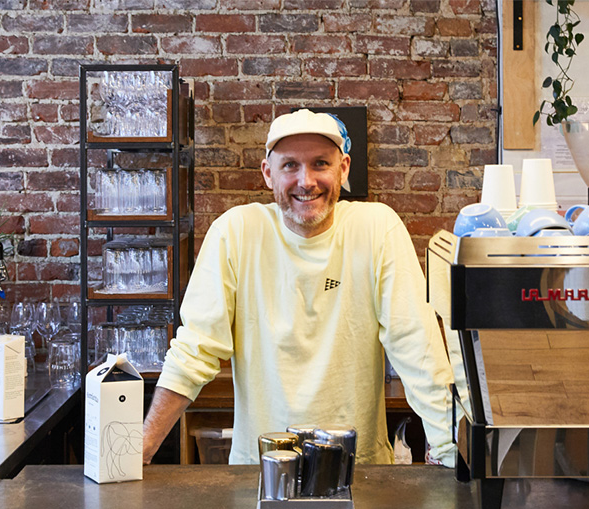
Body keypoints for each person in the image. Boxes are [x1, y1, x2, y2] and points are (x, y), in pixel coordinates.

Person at [143, 108, 457, 466]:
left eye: (320, 163)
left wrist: (450, 448)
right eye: (290, 165)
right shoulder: (236, 232)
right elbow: (195, 350)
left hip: (359, 472)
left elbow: (416, 346)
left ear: (344, 169)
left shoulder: (376, 228)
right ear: (268, 173)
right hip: (261, 472)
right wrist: (143, 447)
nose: (306, 181)